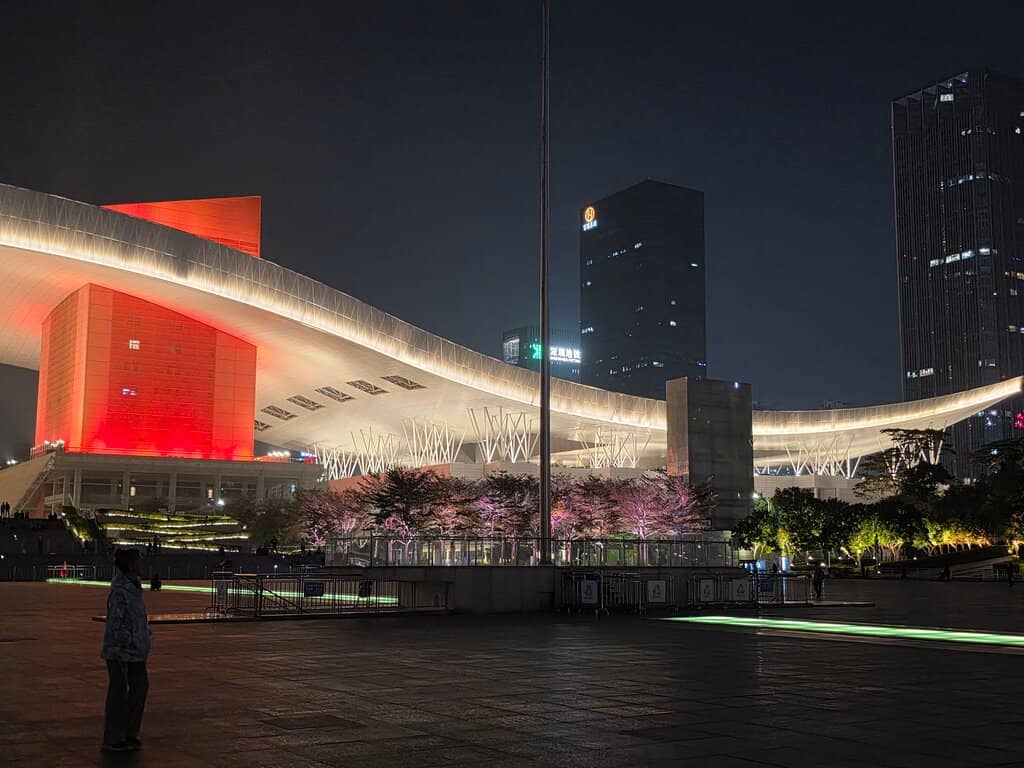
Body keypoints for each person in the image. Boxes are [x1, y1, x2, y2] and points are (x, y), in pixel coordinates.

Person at [100, 548, 151, 752]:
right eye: (139, 561)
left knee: (139, 689)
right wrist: (129, 640)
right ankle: (114, 736)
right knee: (119, 693)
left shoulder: (133, 587)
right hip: (120, 651)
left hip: (136, 650)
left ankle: (130, 732)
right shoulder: (120, 590)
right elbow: (116, 622)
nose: (142, 565)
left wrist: (144, 634)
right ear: (130, 565)